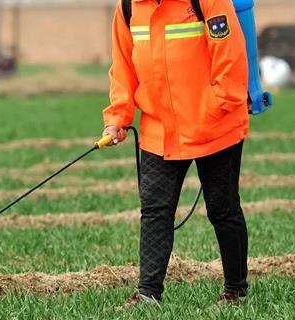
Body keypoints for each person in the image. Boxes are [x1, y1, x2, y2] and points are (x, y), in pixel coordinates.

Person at [101, 0, 250, 308]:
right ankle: (148, 294)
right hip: (160, 129)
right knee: (154, 210)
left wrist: (217, 105)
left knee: (222, 209)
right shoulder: (128, 6)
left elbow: (230, 57)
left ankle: (235, 291)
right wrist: (117, 119)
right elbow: (123, 67)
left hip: (214, 124)